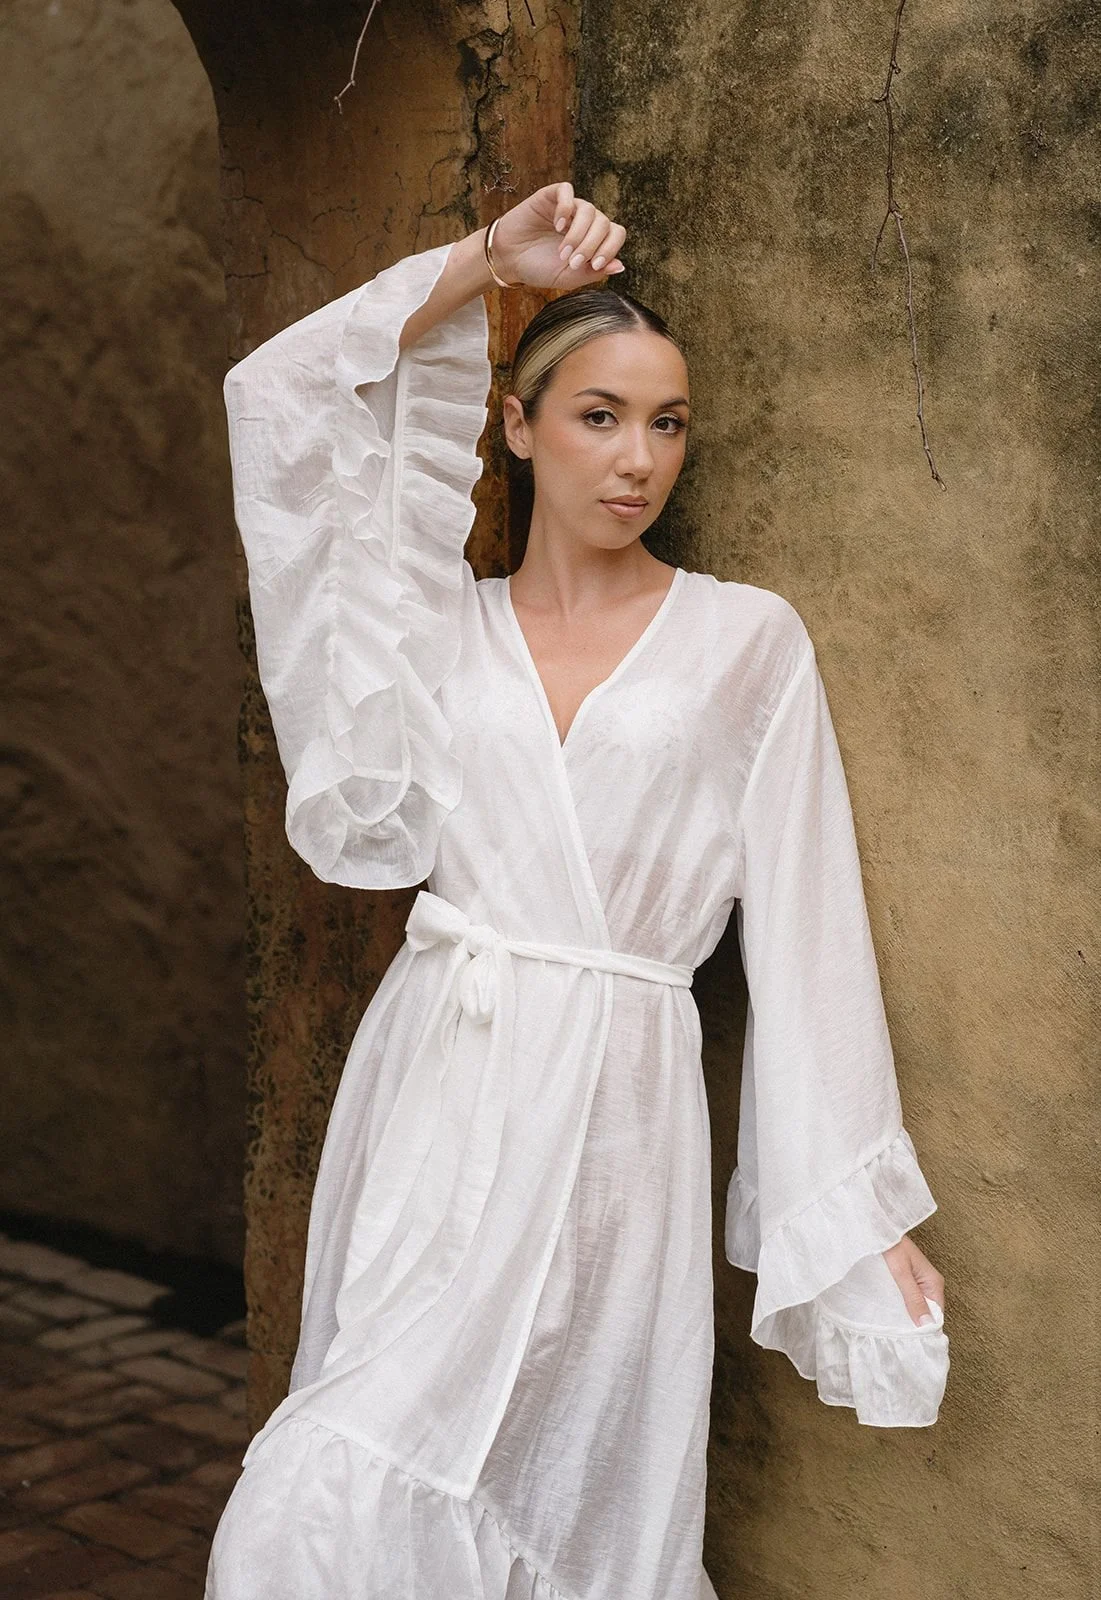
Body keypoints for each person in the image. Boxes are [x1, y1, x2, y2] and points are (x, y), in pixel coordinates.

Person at [205, 180, 949, 1600]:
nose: (637, 459)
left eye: (667, 424)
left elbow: (809, 932)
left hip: (619, 1112)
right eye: (599, 415)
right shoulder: (434, 629)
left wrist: (856, 1210)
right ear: (516, 425)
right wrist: (487, 261)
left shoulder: (747, 642)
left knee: (567, 1502)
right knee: (310, 1504)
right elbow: (282, 400)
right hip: (442, 1087)